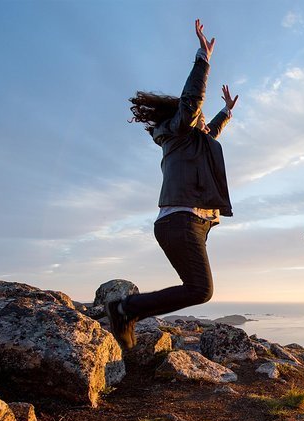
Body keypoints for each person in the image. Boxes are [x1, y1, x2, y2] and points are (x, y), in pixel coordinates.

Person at [105, 19, 238, 349]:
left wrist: (226, 112)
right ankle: (124, 309)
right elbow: (191, 102)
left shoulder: (189, 140)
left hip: (190, 222)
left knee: (196, 288)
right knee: (200, 289)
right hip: (181, 220)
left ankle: (127, 312)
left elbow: (210, 134)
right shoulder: (177, 132)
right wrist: (203, 60)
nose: (203, 121)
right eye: (199, 117)